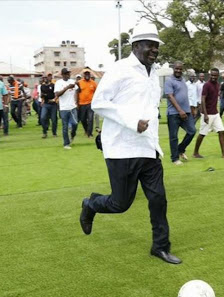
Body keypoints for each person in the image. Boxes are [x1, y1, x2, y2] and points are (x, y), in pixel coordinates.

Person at [80, 22, 181, 265]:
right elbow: (99, 103)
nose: (155, 50)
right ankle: (90, 204)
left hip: (148, 148)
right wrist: (132, 121)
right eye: (150, 45)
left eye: (157, 46)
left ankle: (160, 247)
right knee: (120, 203)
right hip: (122, 148)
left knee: (158, 199)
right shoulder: (120, 69)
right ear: (136, 46)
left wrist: (155, 142)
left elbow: (150, 109)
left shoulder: (153, 72)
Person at [192, 68, 224, 159]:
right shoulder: (207, 85)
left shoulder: (218, 85)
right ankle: (195, 152)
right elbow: (203, 99)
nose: (213, 77)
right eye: (212, 75)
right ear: (210, 75)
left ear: (218, 76)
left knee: (221, 131)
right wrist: (205, 115)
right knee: (202, 133)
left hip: (215, 113)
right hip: (207, 113)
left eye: (215, 75)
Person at [164, 61, 196, 165]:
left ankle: (180, 149)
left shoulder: (183, 80)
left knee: (192, 131)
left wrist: (190, 109)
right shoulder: (169, 81)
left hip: (186, 112)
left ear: (182, 70)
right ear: (173, 68)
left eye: (180, 69)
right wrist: (180, 110)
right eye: (176, 68)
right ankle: (175, 159)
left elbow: (186, 97)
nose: (178, 70)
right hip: (173, 113)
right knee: (174, 137)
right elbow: (170, 96)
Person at [54, 68, 78, 149]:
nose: (68, 75)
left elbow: (78, 90)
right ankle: (66, 144)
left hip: (72, 107)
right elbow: (57, 94)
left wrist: (78, 84)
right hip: (63, 108)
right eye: (67, 74)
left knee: (75, 123)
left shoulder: (72, 81)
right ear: (63, 75)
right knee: (65, 126)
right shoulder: (58, 83)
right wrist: (67, 87)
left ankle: (72, 134)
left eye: (69, 73)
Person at [76, 70, 98, 138]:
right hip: (81, 104)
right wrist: (77, 103)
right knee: (82, 119)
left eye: (88, 74)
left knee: (90, 118)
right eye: (86, 74)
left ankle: (90, 134)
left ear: (90, 75)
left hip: (90, 103)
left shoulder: (93, 83)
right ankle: (86, 130)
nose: (87, 75)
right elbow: (77, 92)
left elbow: (97, 92)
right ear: (84, 75)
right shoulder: (79, 82)